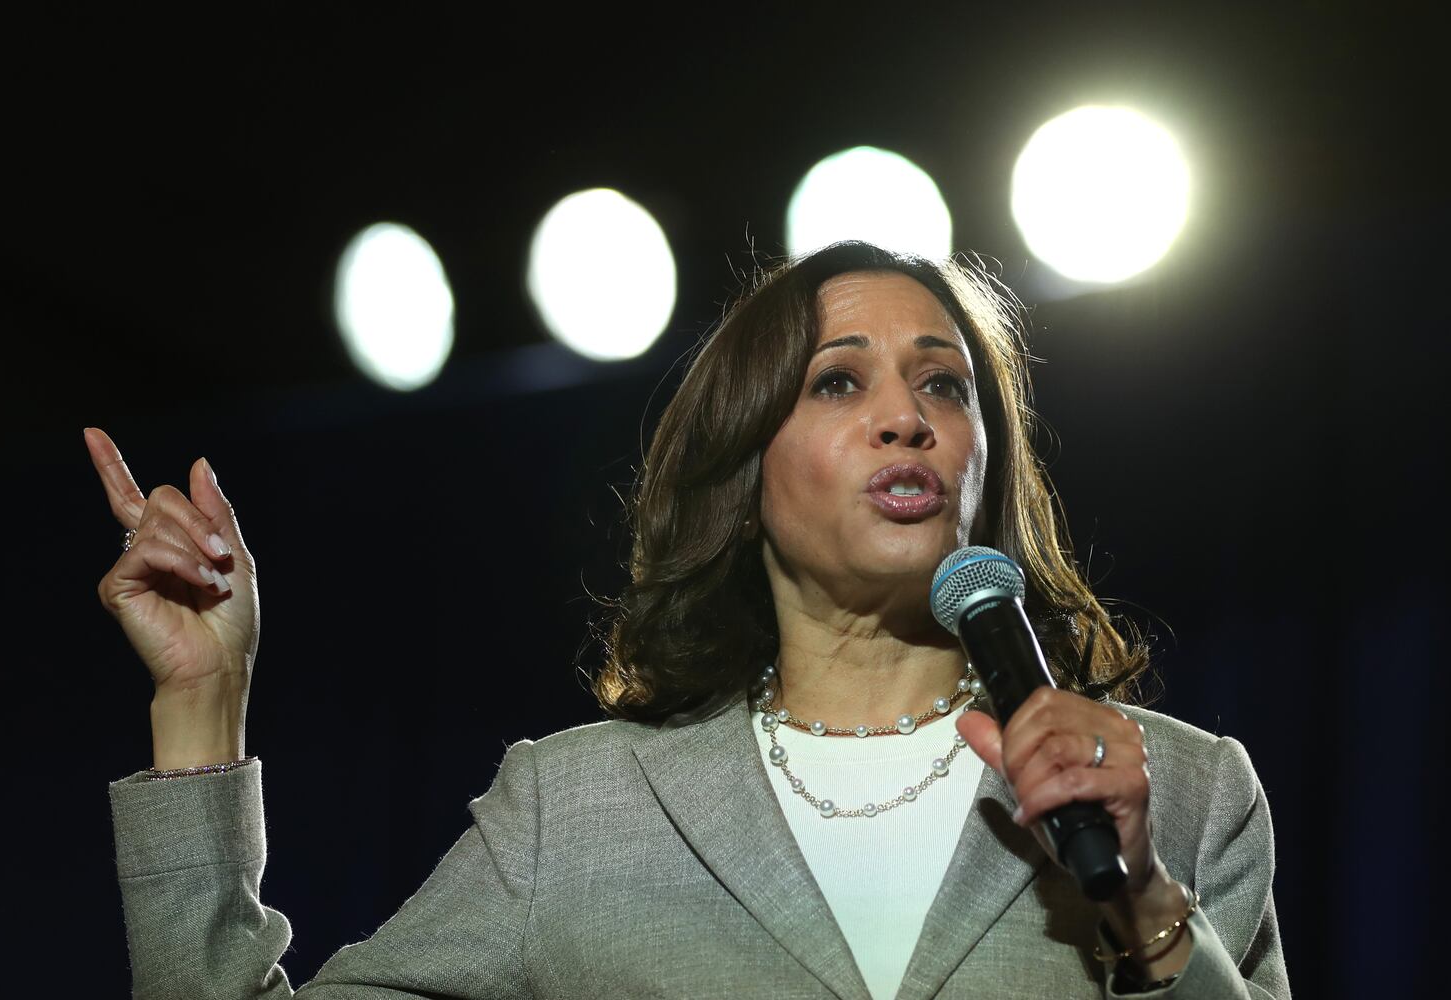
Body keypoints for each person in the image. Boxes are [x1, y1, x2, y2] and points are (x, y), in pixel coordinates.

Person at [94, 241, 1290, 999]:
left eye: (944, 383)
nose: (907, 419)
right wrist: (201, 701)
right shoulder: (581, 812)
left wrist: (1141, 904)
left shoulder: (1184, 793)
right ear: (744, 467)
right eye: (837, 381)